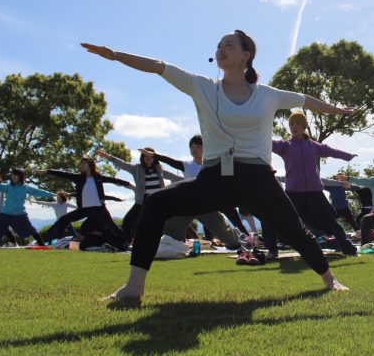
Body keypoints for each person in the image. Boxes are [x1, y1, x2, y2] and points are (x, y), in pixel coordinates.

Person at [82, 29, 351, 302]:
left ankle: (330, 280)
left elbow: (306, 102)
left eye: (229, 45)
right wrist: (115, 55)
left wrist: (337, 110)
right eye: (219, 45)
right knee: (154, 204)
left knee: (294, 230)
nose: (221, 49)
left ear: (246, 55)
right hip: (214, 177)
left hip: (257, 178)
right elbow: (159, 66)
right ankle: (133, 288)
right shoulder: (203, 86)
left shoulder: (268, 95)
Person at [270, 111, 358, 258]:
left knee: (331, 222)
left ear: (304, 126)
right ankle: (273, 251)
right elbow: (266, 142)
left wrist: (347, 156)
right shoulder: (284, 145)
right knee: (282, 220)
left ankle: (348, 249)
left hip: (314, 192)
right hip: (294, 193)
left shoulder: (312, 145)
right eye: (292, 124)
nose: (294, 126)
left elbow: (330, 150)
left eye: (298, 124)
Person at [140, 144, 241, 247]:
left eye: (198, 146)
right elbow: (170, 161)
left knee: (229, 238)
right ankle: (174, 243)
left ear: (204, 148)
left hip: (205, 203)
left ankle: (241, 237)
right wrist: (154, 155)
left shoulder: (213, 161)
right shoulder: (186, 165)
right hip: (187, 202)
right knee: (170, 238)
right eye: (192, 146)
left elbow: (227, 178)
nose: (194, 149)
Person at [36, 157, 129, 243]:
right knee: (63, 220)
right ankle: (55, 240)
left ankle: (127, 241)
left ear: (90, 165)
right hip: (84, 209)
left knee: (112, 225)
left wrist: (129, 185)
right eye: (81, 164)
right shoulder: (78, 178)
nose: (82, 165)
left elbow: (114, 180)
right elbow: (62, 173)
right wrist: (47, 171)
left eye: (84, 163)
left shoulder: (98, 178)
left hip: (98, 209)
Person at [95, 148, 170, 241]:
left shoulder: (159, 169)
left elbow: (173, 176)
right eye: (145, 156)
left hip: (156, 201)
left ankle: (157, 242)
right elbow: (123, 164)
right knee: (127, 221)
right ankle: (128, 242)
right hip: (142, 201)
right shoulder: (136, 168)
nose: (147, 158)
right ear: (142, 158)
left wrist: (190, 179)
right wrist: (108, 157)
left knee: (154, 224)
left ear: (154, 157)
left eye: (149, 155)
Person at [0, 168, 52, 247]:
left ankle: (42, 245)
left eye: (15, 175)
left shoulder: (25, 187)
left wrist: (52, 195)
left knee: (31, 230)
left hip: (20, 214)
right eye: (12, 175)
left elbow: (38, 192)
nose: (13, 177)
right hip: (5, 214)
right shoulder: (7, 186)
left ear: (21, 177)